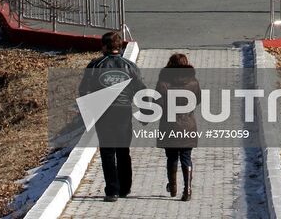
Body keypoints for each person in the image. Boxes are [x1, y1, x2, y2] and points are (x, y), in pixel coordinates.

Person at [79, 30, 145, 203]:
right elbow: (140, 90)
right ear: (120, 46)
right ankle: (125, 187)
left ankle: (112, 191)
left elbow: (84, 89)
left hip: (104, 111)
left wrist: (89, 110)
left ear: (104, 47)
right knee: (123, 150)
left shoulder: (96, 65)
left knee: (107, 151)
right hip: (124, 111)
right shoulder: (130, 66)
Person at [156, 52, 201, 202]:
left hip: (169, 125)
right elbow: (198, 100)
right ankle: (187, 190)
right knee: (186, 157)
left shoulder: (163, 82)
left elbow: (158, 103)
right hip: (188, 124)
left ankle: (173, 186)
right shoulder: (193, 82)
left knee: (172, 157)